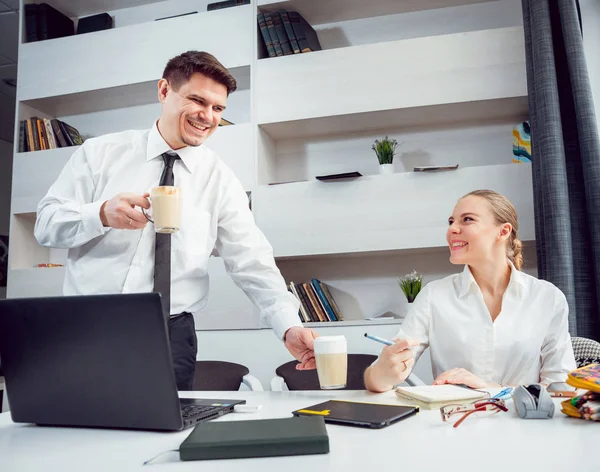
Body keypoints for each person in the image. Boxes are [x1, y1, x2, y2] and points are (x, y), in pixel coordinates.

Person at [34, 51, 318, 390]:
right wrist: (100, 213)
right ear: (164, 91)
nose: (207, 117)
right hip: (89, 323)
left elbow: (252, 260)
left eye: (218, 108)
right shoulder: (100, 153)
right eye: (197, 100)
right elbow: (46, 224)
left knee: (164, 434)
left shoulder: (220, 180)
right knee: (80, 430)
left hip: (172, 333)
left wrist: (288, 325)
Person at [364, 189, 576, 392]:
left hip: (526, 424)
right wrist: (381, 374)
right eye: (450, 222)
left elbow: (562, 388)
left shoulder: (547, 297)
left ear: (503, 232)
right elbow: (377, 379)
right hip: (452, 423)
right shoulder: (434, 296)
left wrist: (491, 390)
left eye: (467, 219)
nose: (452, 229)